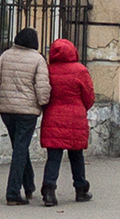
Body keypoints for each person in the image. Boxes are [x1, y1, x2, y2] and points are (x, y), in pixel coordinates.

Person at [0, 27, 51, 205]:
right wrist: (43, 103)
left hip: (7, 109)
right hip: (27, 111)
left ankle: (29, 185)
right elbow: (42, 86)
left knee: (19, 147)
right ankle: (13, 193)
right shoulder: (38, 59)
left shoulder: (6, 55)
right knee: (20, 148)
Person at [38, 35, 94, 207]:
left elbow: (44, 93)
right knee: (76, 156)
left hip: (53, 116)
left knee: (53, 157)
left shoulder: (48, 70)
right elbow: (89, 96)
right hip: (76, 118)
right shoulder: (81, 70)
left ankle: (49, 190)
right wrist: (80, 108)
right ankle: (80, 189)